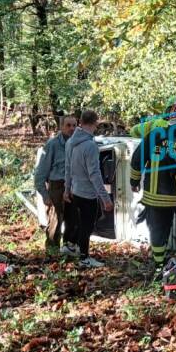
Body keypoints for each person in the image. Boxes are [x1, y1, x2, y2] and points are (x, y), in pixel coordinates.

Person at [130, 115, 176, 273]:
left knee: (158, 230)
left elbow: (137, 159)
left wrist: (133, 182)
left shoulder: (153, 136)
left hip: (154, 197)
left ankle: (159, 266)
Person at [64, 109, 112, 269]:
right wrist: (105, 198)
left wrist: (67, 188)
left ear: (80, 122)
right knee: (87, 225)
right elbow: (95, 175)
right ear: (95, 123)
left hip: (76, 190)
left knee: (86, 220)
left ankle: (74, 245)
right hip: (87, 194)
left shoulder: (71, 141)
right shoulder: (90, 146)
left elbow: (68, 167)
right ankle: (84, 257)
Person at [33, 115, 77, 256]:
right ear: (61, 127)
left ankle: (69, 248)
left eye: (74, 125)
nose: (71, 128)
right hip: (57, 186)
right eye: (68, 125)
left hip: (74, 185)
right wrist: (45, 195)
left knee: (73, 218)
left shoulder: (77, 143)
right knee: (56, 219)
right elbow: (40, 173)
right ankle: (52, 252)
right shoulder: (52, 145)